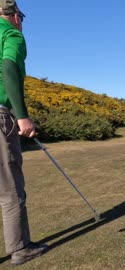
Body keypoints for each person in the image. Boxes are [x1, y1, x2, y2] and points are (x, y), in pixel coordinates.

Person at [0, 0, 48, 266]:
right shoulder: (11, 34)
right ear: (15, 15)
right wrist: (21, 116)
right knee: (9, 188)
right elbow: (8, 68)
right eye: (21, 15)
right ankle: (20, 248)